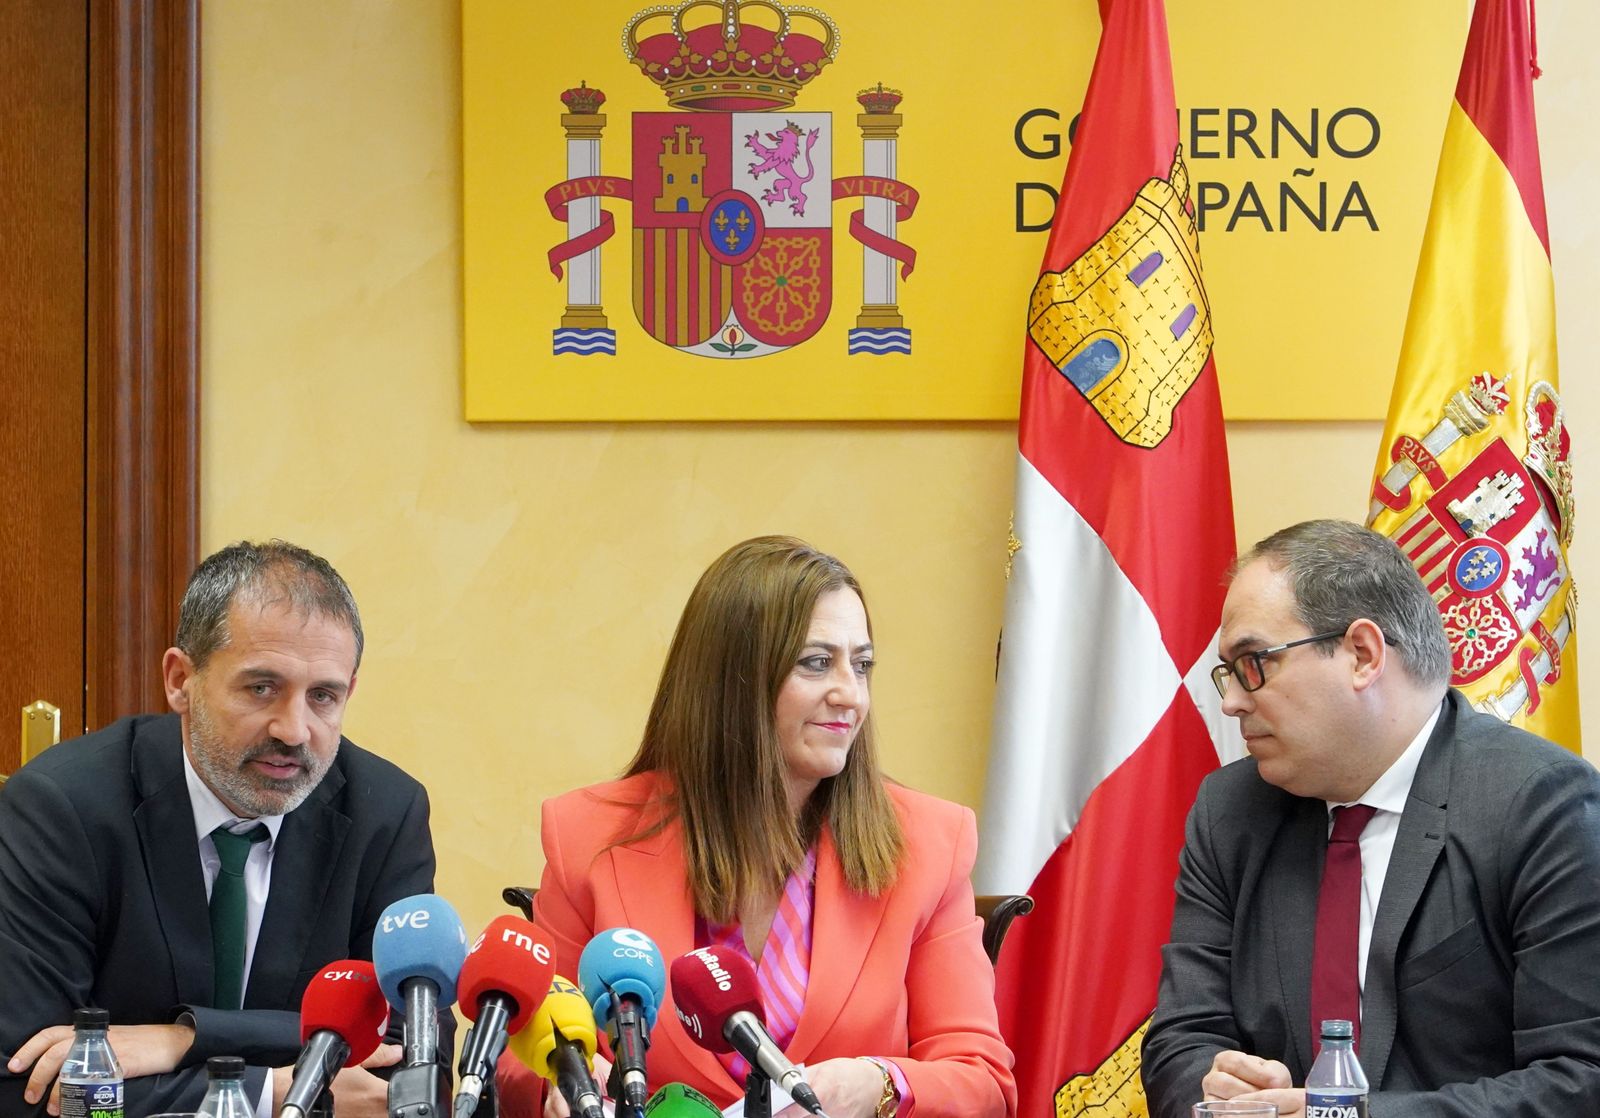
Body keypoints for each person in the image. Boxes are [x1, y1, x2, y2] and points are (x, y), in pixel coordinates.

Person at [499, 536, 1016, 1118]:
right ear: (732, 681)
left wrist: (879, 1083)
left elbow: (981, 1079)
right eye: (817, 662)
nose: (852, 694)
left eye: (863, 664)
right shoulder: (587, 835)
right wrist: (563, 1078)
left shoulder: (931, 843)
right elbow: (516, 1057)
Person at [1142, 519, 1600, 1117]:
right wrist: (1224, 1091)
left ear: (1362, 654)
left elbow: (1580, 1078)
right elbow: (1181, 1039)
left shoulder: (1540, 805)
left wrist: (1336, 1115)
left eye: (1254, 662)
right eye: (1228, 672)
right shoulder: (1230, 812)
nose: (1231, 701)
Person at [0, 540, 441, 1116]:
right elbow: (25, 1082)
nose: (294, 730)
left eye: (323, 697)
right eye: (261, 688)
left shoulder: (385, 812)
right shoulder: (63, 807)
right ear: (180, 679)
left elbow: (412, 1067)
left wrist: (179, 1039)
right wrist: (273, 1089)